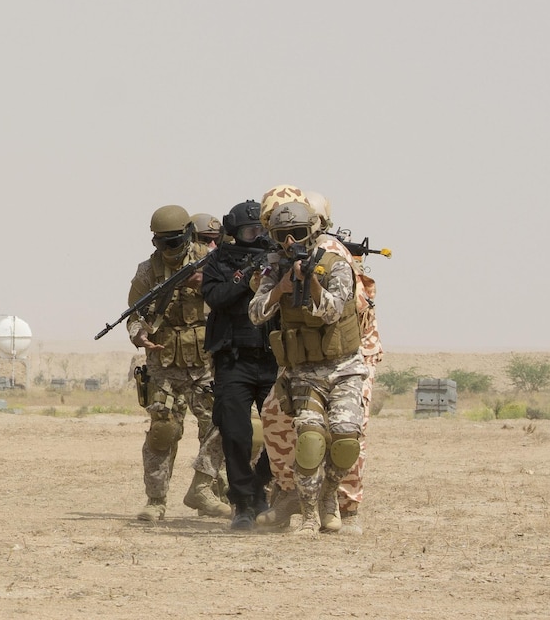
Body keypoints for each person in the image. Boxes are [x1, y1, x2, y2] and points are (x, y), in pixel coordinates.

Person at [260, 190, 382, 533]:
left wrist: (310, 280)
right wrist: (281, 288)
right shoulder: (275, 266)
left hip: (345, 363)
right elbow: (257, 311)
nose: (288, 241)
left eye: (296, 234)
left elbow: (332, 311)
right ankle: (298, 503)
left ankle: (339, 500)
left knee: (347, 436)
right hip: (304, 369)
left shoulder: (334, 259)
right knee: (306, 436)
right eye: (279, 233)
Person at [125, 204, 229, 520]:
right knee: (163, 429)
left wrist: (206, 286)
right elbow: (134, 314)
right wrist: (138, 335)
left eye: (174, 242)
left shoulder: (213, 261)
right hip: (163, 362)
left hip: (206, 361)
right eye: (162, 243)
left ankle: (207, 491)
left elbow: (233, 299)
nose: (169, 249)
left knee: (219, 426)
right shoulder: (147, 271)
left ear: (186, 235)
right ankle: (155, 502)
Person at [201, 200, 278, 530]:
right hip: (234, 361)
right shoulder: (218, 261)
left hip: (274, 360)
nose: (256, 236)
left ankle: (260, 487)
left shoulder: (276, 258)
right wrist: (244, 279)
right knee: (236, 434)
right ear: (233, 232)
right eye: (249, 230)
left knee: (279, 434)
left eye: (261, 229)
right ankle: (243, 503)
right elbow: (215, 298)